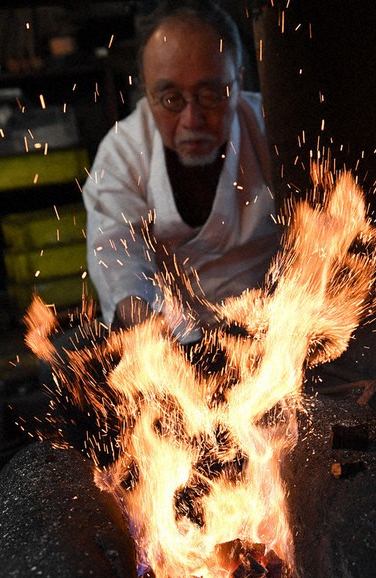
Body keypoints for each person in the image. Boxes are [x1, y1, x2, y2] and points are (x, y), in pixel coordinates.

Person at [83, 0, 280, 342]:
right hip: (174, 340)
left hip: (276, 330)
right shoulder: (122, 153)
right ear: (147, 90)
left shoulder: (272, 129)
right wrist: (156, 342)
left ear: (240, 81)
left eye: (210, 95)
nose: (192, 121)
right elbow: (118, 261)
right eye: (172, 99)